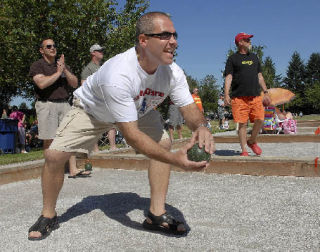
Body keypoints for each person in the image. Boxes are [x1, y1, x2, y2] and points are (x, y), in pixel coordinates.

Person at [28, 12, 215, 240]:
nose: (174, 41)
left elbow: (188, 109)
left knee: (163, 143)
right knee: (54, 157)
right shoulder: (118, 72)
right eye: (165, 35)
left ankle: (156, 214)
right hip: (92, 110)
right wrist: (176, 160)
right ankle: (48, 215)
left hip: (136, 109)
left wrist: (202, 127)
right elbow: (132, 135)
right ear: (144, 40)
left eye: (174, 35)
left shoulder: (173, 72)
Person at [29, 38, 90, 177]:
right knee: (49, 139)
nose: (52, 48)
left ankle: (73, 169)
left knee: (71, 136)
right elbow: (41, 84)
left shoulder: (62, 65)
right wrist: (57, 73)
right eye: (48, 46)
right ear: (41, 50)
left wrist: (64, 70)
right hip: (46, 104)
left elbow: (74, 84)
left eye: (54, 46)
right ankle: (51, 171)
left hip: (64, 104)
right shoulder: (37, 66)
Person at [224, 32, 271, 156]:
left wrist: (266, 92)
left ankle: (252, 141)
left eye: (249, 40)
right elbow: (229, 77)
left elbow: (259, 76)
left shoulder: (254, 57)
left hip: (255, 95)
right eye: (247, 40)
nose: (250, 42)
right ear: (240, 42)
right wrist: (226, 94)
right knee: (242, 124)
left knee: (260, 119)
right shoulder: (232, 59)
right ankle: (244, 150)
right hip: (239, 98)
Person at [81, 44, 117, 151]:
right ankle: (96, 151)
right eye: (99, 50)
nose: (101, 52)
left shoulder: (103, 67)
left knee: (111, 125)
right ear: (93, 53)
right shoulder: (88, 69)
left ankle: (113, 148)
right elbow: (83, 85)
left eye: (102, 50)